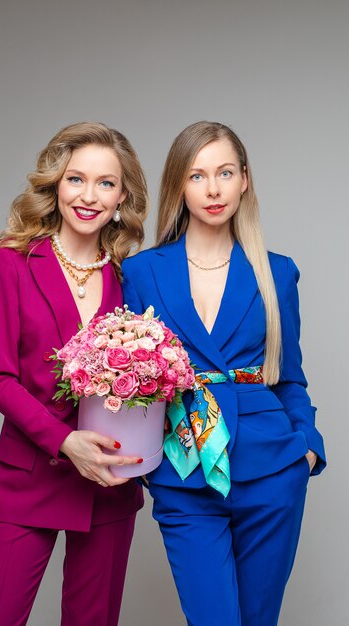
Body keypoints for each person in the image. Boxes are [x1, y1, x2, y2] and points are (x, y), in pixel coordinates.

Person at [122, 121, 326, 626]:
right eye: (197, 175)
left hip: (273, 469)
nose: (213, 189)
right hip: (184, 470)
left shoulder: (276, 271)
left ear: (244, 180)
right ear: (179, 186)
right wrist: (145, 468)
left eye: (225, 172)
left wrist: (308, 444)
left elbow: (290, 376)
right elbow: (129, 381)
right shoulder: (142, 272)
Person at [0, 122, 148, 626]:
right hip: (27, 475)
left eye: (105, 183)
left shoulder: (130, 276)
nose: (89, 197)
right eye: (76, 179)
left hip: (108, 482)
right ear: (55, 184)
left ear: (122, 195)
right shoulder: (10, 260)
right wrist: (65, 442)